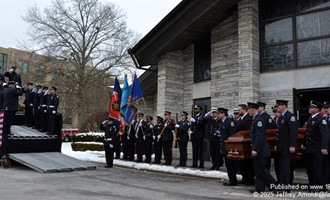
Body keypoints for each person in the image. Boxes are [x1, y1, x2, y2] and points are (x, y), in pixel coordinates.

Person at [247, 102, 276, 193]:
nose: (248, 111)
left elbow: (259, 137)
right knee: (258, 170)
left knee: (262, 170)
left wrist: (255, 149)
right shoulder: (255, 119)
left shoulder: (259, 120)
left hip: (260, 150)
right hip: (258, 149)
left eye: (249, 109)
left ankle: (274, 185)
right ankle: (259, 188)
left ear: (253, 109)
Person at [301, 100, 329, 192]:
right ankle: (312, 185)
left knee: (317, 169)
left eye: (312, 107)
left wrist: (324, 147)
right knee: (310, 169)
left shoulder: (321, 119)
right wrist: (303, 143)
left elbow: (325, 135)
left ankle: (318, 187)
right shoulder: (311, 118)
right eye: (310, 107)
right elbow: (308, 133)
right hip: (309, 148)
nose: (309, 109)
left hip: (317, 148)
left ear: (317, 109)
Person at [274, 99, 298, 190]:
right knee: (281, 167)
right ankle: (281, 185)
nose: (277, 108)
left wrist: (292, 145)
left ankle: (285, 187)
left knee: (285, 168)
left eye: (278, 106)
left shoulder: (290, 116)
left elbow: (293, 132)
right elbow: (278, 133)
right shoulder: (281, 117)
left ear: (284, 106)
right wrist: (276, 144)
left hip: (287, 147)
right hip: (281, 147)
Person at [216, 107, 236, 185]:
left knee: (230, 165)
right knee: (228, 165)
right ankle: (231, 179)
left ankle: (233, 181)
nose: (218, 115)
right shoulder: (222, 122)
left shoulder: (229, 122)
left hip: (228, 146)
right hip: (224, 146)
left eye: (219, 113)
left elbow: (232, 135)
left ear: (223, 113)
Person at [2, 81, 23, 155]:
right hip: (11, 108)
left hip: (6, 107)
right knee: (9, 121)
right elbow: (20, 93)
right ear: (12, 85)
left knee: (6, 120)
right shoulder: (13, 90)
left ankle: (6, 131)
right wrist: (19, 87)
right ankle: (8, 132)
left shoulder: (6, 90)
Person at [322, 101, 330, 186]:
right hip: (326, 145)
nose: (326, 109)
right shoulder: (323, 118)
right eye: (325, 108)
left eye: (328, 108)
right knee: (326, 165)